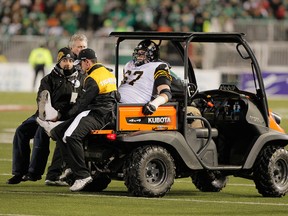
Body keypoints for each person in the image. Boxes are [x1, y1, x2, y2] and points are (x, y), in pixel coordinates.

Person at [37, 48, 119, 192]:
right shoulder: (107, 72)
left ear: (87, 62)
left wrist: (60, 116)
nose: (78, 66)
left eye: (80, 63)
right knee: (57, 132)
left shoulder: (92, 78)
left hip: (98, 115)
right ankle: (70, 166)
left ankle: (82, 175)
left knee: (71, 137)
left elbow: (82, 104)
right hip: (104, 113)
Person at [6, 47, 85, 185]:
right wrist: (48, 115)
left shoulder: (81, 79)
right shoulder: (48, 79)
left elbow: (80, 103)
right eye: (64, 60)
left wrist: (60, 115)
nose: (68, 63)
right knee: (21, 131)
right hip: (45, 115)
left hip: (66, 118)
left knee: (40, 134)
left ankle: (33, 173)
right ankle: (19, 173)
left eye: (70, 60)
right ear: (59, 61)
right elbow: (42, 101)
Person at [44, 33, 88, 185]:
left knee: (64, 137)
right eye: (79, 46)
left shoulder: (86, 61)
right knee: (66, 137)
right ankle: (63, 172)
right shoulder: (70, 64)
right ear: (71, 47)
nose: (82, 49)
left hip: (76, 108)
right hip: (67, 110)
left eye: (84, 46)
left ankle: (56, 173)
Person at [118, 40, 172, 115]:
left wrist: (154, 104)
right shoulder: (129, 64)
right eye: (138, 53)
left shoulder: (158, 66)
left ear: (151, 55)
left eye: (142, 54)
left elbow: (166, 93)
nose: (139, 56)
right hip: (116, 101)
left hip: (132, 106)